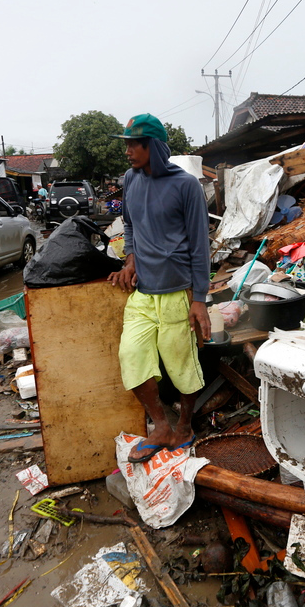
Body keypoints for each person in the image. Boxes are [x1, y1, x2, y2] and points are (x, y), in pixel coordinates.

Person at [107, 113, 211, 463]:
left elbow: (200, 246)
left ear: (155, 146)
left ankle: (185, 425)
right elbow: (130, 224)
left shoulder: (186, 186)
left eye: (135, 143)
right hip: (144, 293)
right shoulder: (130, 180)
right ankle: (160, 426)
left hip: (177, 292)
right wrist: (131, 258)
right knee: (131, 357)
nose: (129, 151)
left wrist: (200, 301)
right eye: (126, 143)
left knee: (182, 365)